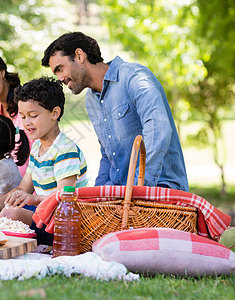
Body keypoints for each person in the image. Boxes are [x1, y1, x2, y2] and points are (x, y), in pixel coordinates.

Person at [41, 32, 189, 191]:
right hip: (122, 195)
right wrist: (96, 194)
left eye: (60, 69)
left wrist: (138, 189)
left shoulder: (134, 77)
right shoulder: (91, 100)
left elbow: (158, 130)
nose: (60, 78)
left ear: (79, 55)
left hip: (158, 189)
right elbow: (108, 156)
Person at [0, 76, 89, 229]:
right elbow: (23, 188)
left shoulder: (65, 150)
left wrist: (32, 199)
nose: (27, 122)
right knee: (1, 206)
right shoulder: (37, 147)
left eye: (33, 116)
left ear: (55, 113)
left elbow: (64, 198)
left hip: (64, 221)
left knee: (10, 215)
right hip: (45, 213)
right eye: (23, 117)